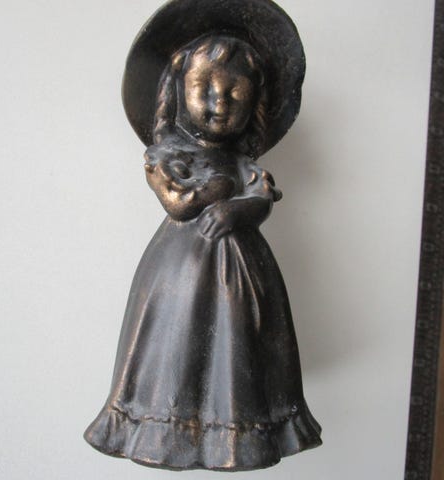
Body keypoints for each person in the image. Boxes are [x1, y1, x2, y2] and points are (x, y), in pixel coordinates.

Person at [84, 31, 322, 471]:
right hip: (180, 274)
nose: (220, 101)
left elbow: (261, 201)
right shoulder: (167, 158)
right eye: (205, 87)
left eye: (235, 92)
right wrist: (213, 190)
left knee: (235, 348)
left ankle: (235, 430)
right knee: (177, 345)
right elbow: (177, 204)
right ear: (177, 92)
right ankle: (166, 426)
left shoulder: (244, 165)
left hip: (243, 278)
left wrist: (236, 210)